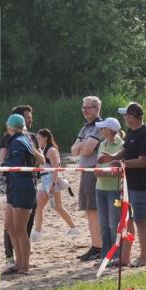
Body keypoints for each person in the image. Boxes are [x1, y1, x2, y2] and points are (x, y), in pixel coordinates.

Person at [102, 102, 146, 267]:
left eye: (126, 115)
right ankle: (125, 257)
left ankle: (144, 257)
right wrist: (112, 158)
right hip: (128, 183)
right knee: (128, 221)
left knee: (140, 220)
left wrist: (120, 163)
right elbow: (125, 150)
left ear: (132, 116)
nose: (124, 118)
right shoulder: (132, 132)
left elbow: (143, 161)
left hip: (141, 184)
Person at [0, 113, 44, 275]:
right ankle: (18, 263)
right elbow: (38, 159)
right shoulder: (23, 138)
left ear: (9, 127)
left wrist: (2, 167)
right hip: (14, 186)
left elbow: (17, 162)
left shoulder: (19, 140)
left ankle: (24, 266)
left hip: (22, 187)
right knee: (10, 227)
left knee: (20, 229)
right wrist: (2, 168)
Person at [71, 96, 105, 262]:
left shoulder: (100, 126)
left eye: (88, 107)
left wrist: (83, 145)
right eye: (83, 107)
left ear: (97, 108)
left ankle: (98, 246)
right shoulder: (85, 127)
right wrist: (83, 144)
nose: (85, 110)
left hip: (93, 170)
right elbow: (73, 150)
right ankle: (96, 245)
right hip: (85, 170)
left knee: (93, 210)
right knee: (89, 210)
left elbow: (85, 150)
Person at [31, 129, 79, 240]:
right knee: (44, 206)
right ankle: (38, 232)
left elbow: (55, 168)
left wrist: (52, 183)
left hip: (50, 180)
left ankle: (73, 228)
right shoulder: (43, 150)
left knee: (54, 207)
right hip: (45, 180)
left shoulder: (51, 150)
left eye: (39, 138)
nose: (38, 140)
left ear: (45, 138)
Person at [93, 117, 124, 261]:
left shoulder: (122, 145)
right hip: (100, 188)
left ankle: (116, 255)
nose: (101, 130)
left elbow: (121, 168)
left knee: (114, 224)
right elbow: (98, 165)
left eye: (103, 128)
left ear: (110, 130)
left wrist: (106, 172)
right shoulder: (102, 144)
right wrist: (96, 171)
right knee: (103, 224)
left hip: (114, 188)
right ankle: (105, 255)